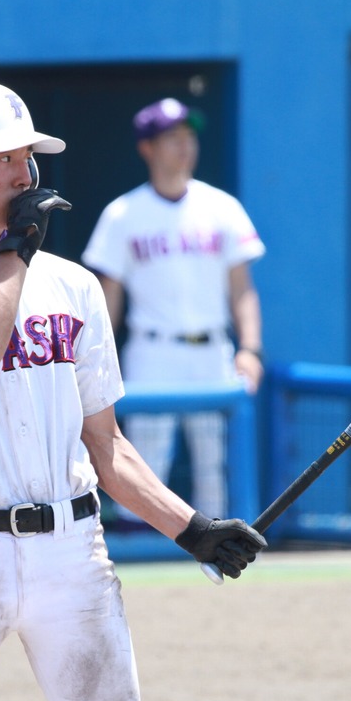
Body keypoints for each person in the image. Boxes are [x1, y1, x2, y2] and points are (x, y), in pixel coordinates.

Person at [0, 80, 266, 701]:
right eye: (3, 159)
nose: (27, 174)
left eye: (28, 156)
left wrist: (190, 528)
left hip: (73, 551)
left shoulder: (73, 285)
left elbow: (106, 447)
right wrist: (17, 249)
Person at [82, 97, 266, 526]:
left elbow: (242, 290)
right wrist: (95, 359)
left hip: (212, 348)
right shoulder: (123, 213)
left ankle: (222, 553)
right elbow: (109, 298)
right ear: (147, 147)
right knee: (142, 464)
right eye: (172, 138)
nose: (184, 146)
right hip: (152, 349)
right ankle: (137, 552)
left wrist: (251, 349)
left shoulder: (221, 206)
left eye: (188, 137)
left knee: (215, 468)